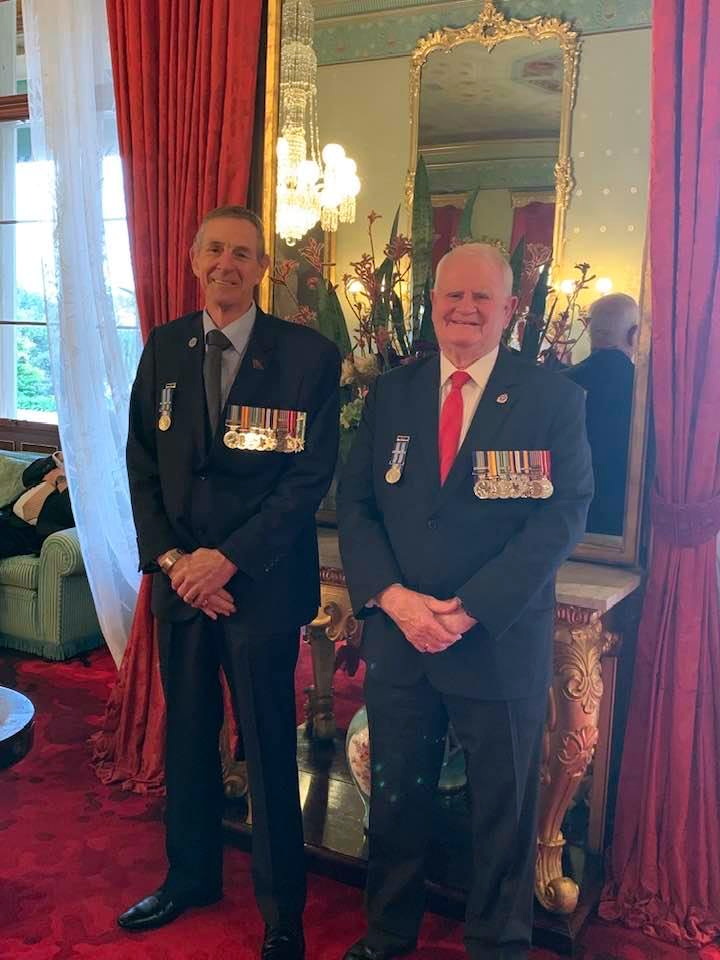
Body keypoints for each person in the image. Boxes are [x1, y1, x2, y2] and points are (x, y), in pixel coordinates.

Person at [337, 243, 593, 960]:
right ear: (432, 303)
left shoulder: (552, 398)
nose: (465, 309)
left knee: (502, 813)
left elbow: (564, 513)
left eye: (482, 297)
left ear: (510, 309)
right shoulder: (392, 393)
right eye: (452, 295)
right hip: (401, 637)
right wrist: (394, 599)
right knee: (395, 797)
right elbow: (356, 505)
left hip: (497, 641)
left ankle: (499, 944)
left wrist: (471, 607)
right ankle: (388, 934)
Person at [119, 205, 340, 960]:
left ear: (262, 269)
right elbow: (141, 466)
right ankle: (190, 878)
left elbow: (306, 479)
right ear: (193, 259)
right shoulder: (165, 347)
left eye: (243, 253)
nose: (227, 265)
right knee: (186, 736)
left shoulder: (308, 357)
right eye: (214, 250)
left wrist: (227, 561)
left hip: (262, 588)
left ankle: (282, 911)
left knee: (270, 745)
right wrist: (176, 564)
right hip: (184, 587)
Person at [566, 293, 638, 536]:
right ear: (634, 334)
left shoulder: (559, 382)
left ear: (590, 331)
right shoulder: (645, 389)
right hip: (624, 522)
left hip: (565, 518)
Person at [0, 451, 73, 558]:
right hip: (9, 517)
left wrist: (61, 481)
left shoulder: (88, 483)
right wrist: (58, 457)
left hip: (32, 532)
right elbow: (27, 477)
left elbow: (67, 510)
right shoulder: (60, 463)